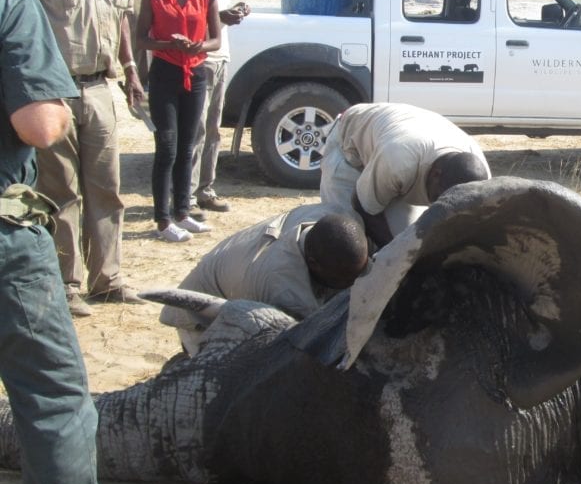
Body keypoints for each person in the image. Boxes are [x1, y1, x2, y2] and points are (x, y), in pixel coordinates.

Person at [0, 0, 156, 484]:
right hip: (7, 235)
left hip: (100, 82)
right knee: (56, 404)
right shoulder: (11, 3)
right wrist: (53, 108)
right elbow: (37, 122)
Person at [9, 0, 145, 315]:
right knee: (60, 191)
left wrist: (130, 69)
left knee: (106, 188)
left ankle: (108, 278)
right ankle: (68, 285)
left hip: (102, 87)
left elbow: (123, 14)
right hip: (54, 90)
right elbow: (16, 22)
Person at [158, 204, 368, 355]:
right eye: (343, 279)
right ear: (313, 263)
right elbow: (303, 348)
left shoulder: (341, 217)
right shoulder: (283, 292)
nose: (351, 283)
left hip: (240, 273)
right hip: (202, 319)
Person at [136, 0, 220, 242]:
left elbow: (215, 41)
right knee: (167, 147)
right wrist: (171, 45)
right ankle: (162, 220)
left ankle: (183, 213)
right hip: (165, 74)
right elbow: (141, 39)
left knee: (187, 147)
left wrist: (197, 46)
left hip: (195, 74)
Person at [320, 102, 491, 249]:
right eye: (442, 198)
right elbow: (362, 205)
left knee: (410, 239)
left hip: (394, 145)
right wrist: (398, 259)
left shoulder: (480, 175)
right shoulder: (399, 161)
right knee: (346, 238)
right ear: (436, 174)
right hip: (350, 147)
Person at [187, 0, 249, 215]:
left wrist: (236, 11)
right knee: (195, 129)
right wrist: (217, 16)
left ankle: (205, 190)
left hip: (221, 55)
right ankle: (185, 195)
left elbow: (220, 12)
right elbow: (185, 16)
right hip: (199, 59)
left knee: (213, 129)